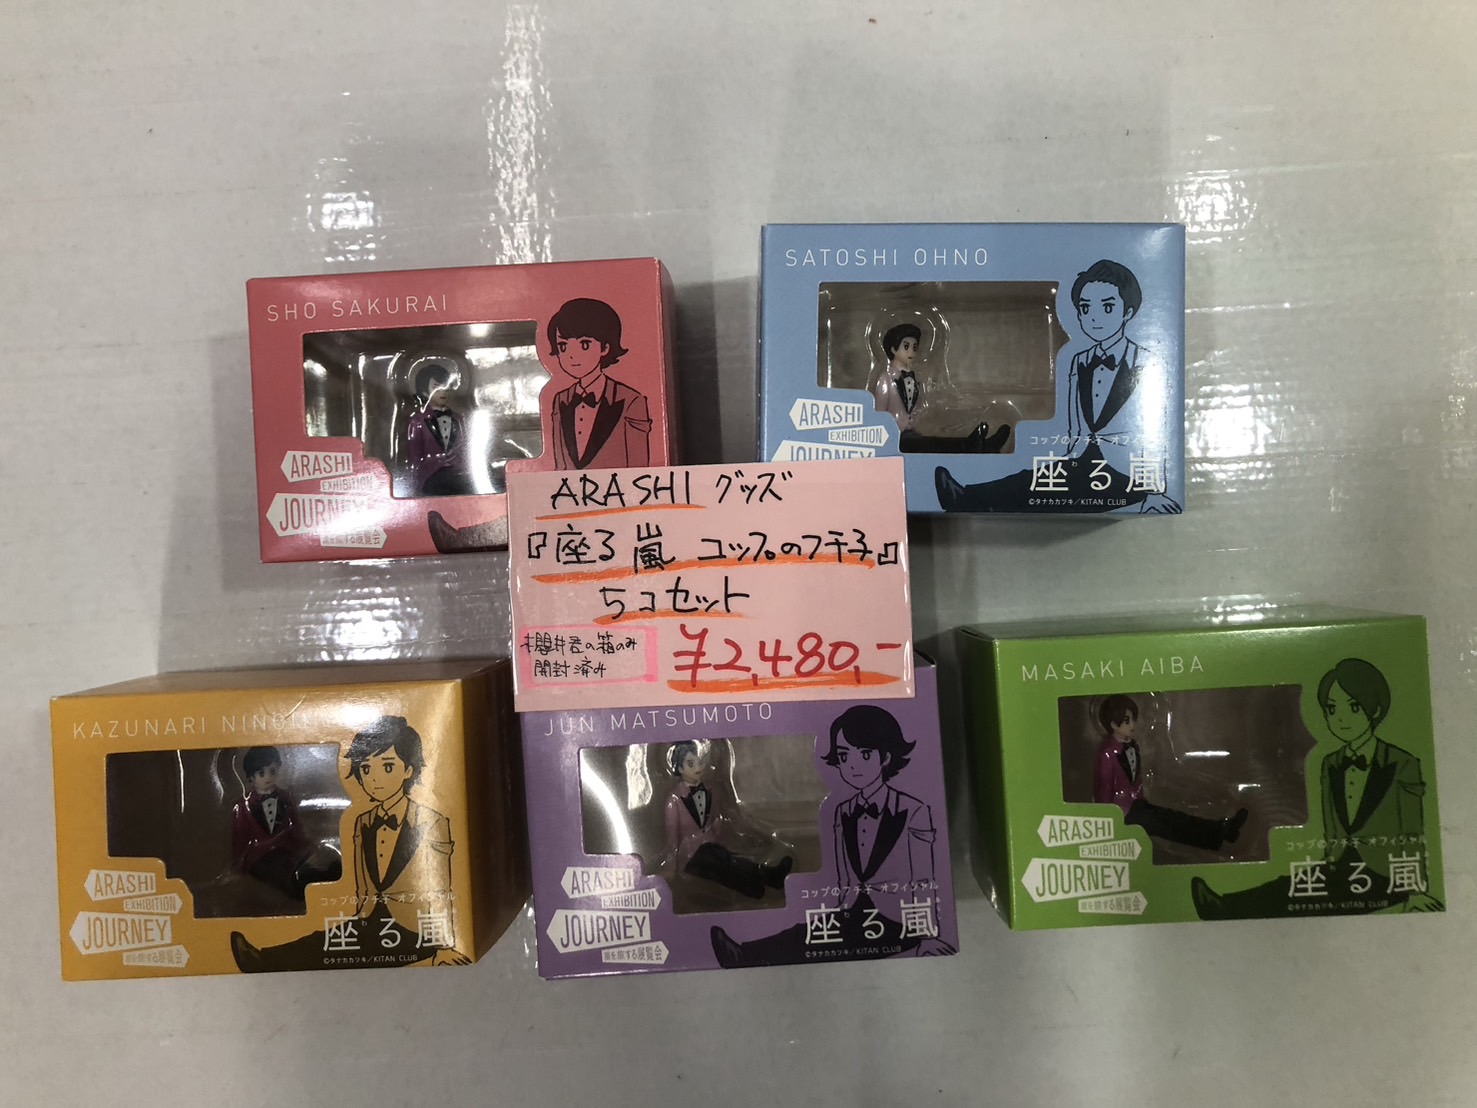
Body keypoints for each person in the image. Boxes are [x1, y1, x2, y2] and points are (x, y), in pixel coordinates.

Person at [1192, 659, 1442, 919]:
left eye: (1354, 707)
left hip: (1386, 874)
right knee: (1291, 885)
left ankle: (1224, 907)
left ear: (1375, 709)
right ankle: (1225, 906)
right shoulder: (1331, 763)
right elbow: (1332, 825)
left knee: (1289, 890)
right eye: (1332, 709)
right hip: (1340, 866)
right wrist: (1326, 863)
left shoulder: (1402, 763)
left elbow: (1413, 830)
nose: (1341, 718)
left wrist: (1417, 889)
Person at [710, 705, 953, 968]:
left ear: (885, 757)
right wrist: (837, 910)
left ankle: (745, 954)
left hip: (898, 920)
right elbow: (844, 876)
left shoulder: (913, 810)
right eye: (844, 756)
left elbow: (924, 879)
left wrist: (928, 935)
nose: (853, 765)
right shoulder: (843, 811)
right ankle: (745, 953)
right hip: (853, 912)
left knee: (804, 936)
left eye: (865, 754)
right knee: (804, 931)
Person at [934, 259, 1181, 513]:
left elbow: (1157, 433)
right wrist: (1067, 459)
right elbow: (1075, 426)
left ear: (1127, 312)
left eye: (1107, 307)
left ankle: (971, 498)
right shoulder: (1080, 360)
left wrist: (1154, 491)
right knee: (1033, 478)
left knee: (1036, 486)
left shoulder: (1147, 361)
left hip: (1126, 473)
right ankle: (971, 498)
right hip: (1083, 460)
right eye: (1085, 308)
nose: (1094, 317)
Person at [230, 717, 468, 971]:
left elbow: (441, 888)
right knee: (324, 939)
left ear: (408, 770)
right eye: (365, 769)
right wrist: (356, 917)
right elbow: (363, 884)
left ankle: (263, 959)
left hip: (415, 929)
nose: (374, 779)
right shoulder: (364, 821)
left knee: (324, 940)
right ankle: (263, 958)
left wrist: (444, 944)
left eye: (388, 767)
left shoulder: (431, 821)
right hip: (370, 920)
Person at [1092, 695, 1247, 852]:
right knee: (1168, 823)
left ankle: (1221, 830)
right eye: (1127, 721)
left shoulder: (1132, 746)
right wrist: (1108, 822)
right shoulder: (1107, 753)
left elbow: (1136, 779)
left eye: (1133, 719)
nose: (1133, 724)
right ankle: (1219, 832)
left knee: (1173, 817)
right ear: (1113, 724)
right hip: (1123, 812)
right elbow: (1104, 789)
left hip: (1137, 804)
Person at [664, 740, 792, 900]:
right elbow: (672, 837)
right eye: (691, 764)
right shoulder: (674, 800)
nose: (698, 767)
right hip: (691, 856)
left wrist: (744, 838)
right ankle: (754, 884)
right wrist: (671, 867)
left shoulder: (711, 790)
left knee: (729, 859)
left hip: (712, 846)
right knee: (718, 864)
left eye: (700, 762)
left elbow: (721, 819)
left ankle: (766, 878)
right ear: (679, 768)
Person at [545, 298, 651, 470]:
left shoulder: (631, 400)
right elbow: (560, 465)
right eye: (563, 346)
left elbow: (639, 467)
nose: (572, 355)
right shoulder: (561, 399)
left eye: (584, 344)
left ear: (605, 348)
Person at [871, 322, 1009, 453]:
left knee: (931, 442)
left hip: (910, 432)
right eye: (906, 347)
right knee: (931, 445)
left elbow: (918, 404)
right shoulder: (885, 378)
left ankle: (980, 445)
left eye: (914, 347)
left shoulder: (914, 377)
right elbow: (878, 412)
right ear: (893, 349)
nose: (911, 352)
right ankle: (973, 446)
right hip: (893, 437)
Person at [231, 746, 342, 902]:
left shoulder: (286, 797)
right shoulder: (243, 805)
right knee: (289, 877)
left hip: (287, 851)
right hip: (260, 858)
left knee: (325, 864)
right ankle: (304, 884)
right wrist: (239, 868)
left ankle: (328, 878)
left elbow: (296, 827)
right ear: (251, 777)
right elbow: (240, 837)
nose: (268, 777)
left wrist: (308, 849)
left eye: (272, 771)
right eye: (261, 773)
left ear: (278, 768)